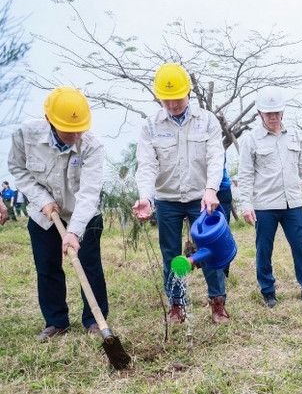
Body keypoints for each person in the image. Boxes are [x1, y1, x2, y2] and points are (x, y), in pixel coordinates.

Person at [8, 86, 110, 340]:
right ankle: (56, 321)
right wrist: (42, 199)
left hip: (83, 214)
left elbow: (89, 193)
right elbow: (18, 169)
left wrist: (74, 232)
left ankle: (94, 321)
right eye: (68, 129)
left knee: (89, 266)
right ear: (49, 120)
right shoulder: (25, 135)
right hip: (44, 215)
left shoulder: (92, 146)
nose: (75, 134)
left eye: (80, 128)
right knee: (47, 266)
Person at [132, 63, 229, 324]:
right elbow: (147, 164)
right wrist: (146, 197)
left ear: (188, 92)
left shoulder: (207, 120)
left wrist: (211, 189)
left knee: (210, 251)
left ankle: (217, 303)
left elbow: (215, 156)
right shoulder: (150, 126)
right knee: (171, 255)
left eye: (177, 98)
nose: (173, 104)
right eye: (167, 99)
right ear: (159, 97)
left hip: (201, 198)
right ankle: (177, 305)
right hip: (167, 200)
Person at [238, 86, 302, 308]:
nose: (273, 117)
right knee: (264, 249)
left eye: (277, 113)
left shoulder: (294, 135)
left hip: (292, 203)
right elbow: (245, 175)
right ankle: (268, 291)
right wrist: (245, 204)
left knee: (300, 247)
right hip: (264, 205)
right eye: (268, 113)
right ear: (260, 114)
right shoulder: (251, 140)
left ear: (282, 112)